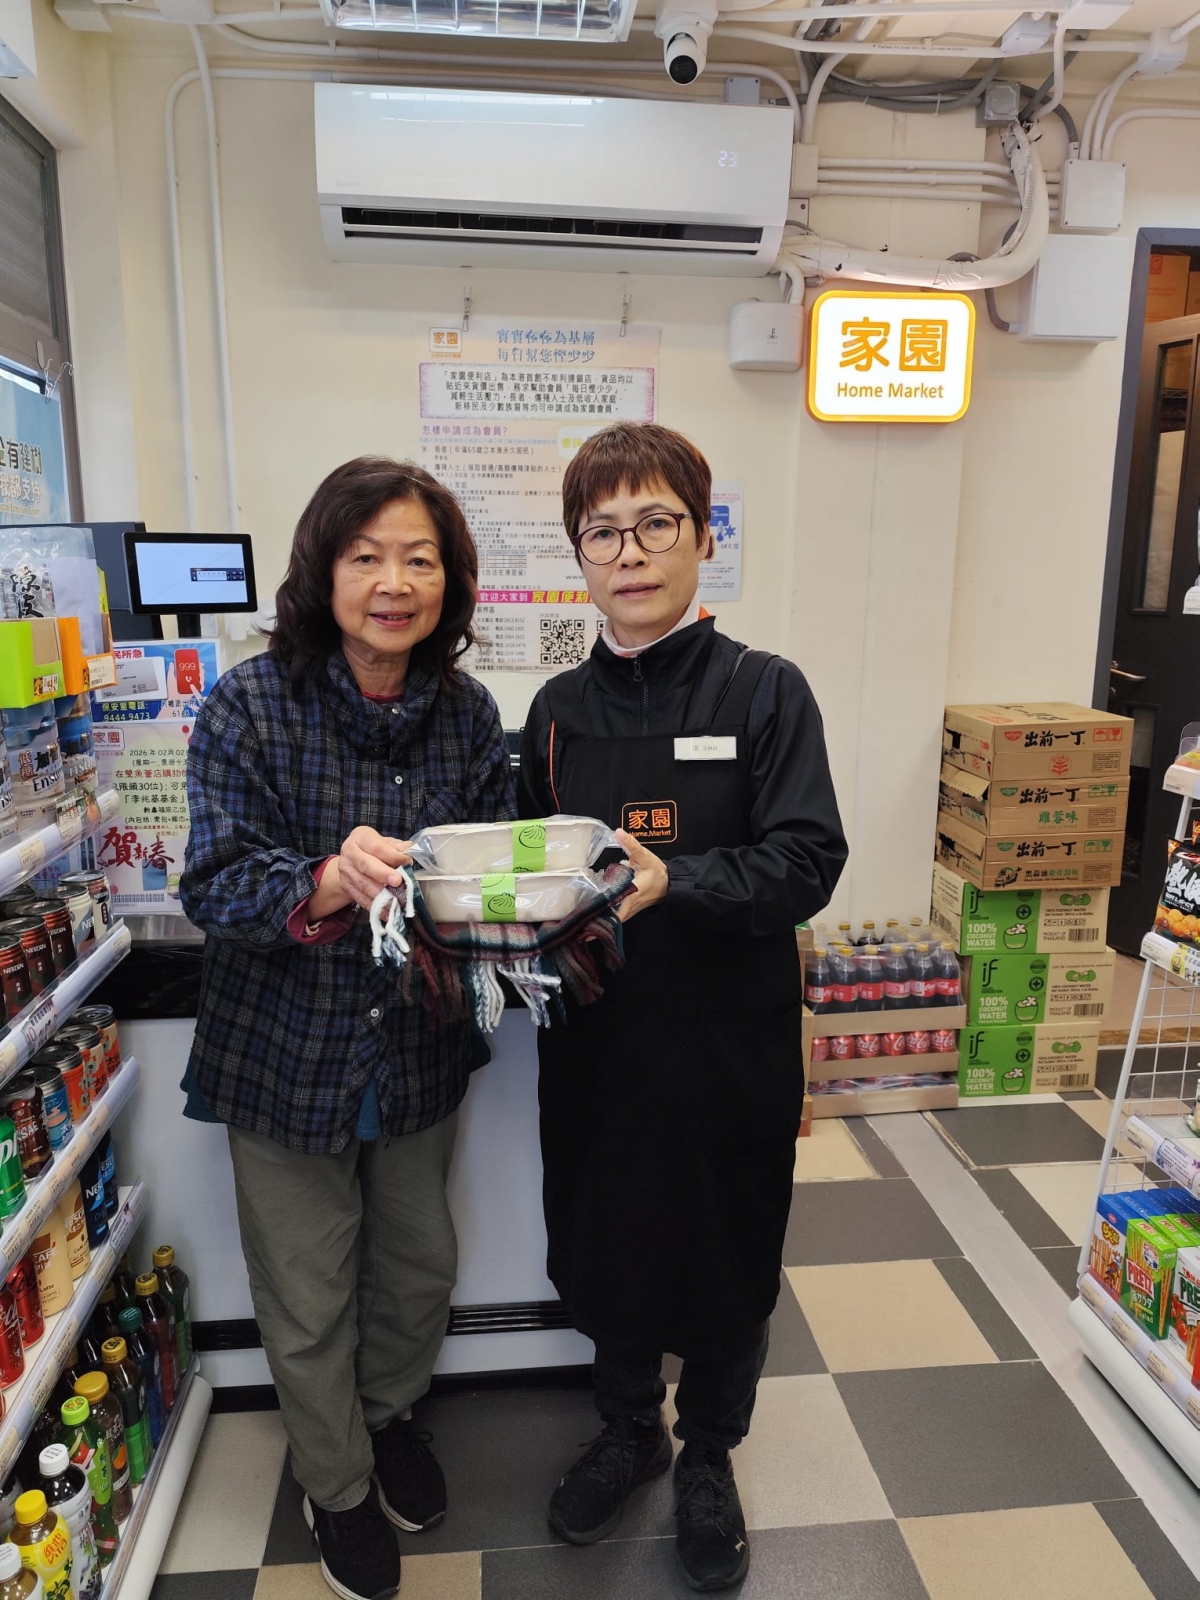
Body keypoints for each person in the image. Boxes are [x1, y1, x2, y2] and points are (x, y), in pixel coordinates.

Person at [518, 422, 847, 1593]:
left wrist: (679, 881)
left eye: (656, 522)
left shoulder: (764, 690)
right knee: (607, 1236)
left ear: (703, 537)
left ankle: (709, 1452)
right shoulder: (555, 708)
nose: (630, 551)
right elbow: (531, 864)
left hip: (726, 1040)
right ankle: (627, 1429)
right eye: (602, 531)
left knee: (725, 1244)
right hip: (598, 1043)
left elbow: (808, 858)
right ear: (579, 555)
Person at [180, 457, 514, 1600]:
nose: (393, 582)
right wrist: (327, 878)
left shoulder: (468, 715)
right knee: (307, 1286)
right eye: (366, 556)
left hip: (418, 1043)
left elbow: (490, 872)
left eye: (419, 558)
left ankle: (388, 1416)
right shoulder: (249, 703)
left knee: (417, 1266)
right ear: (322, 572)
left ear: (449, 581)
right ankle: (335, 1482)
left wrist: (540, 900)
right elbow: (214, 883)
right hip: (283, 1048)